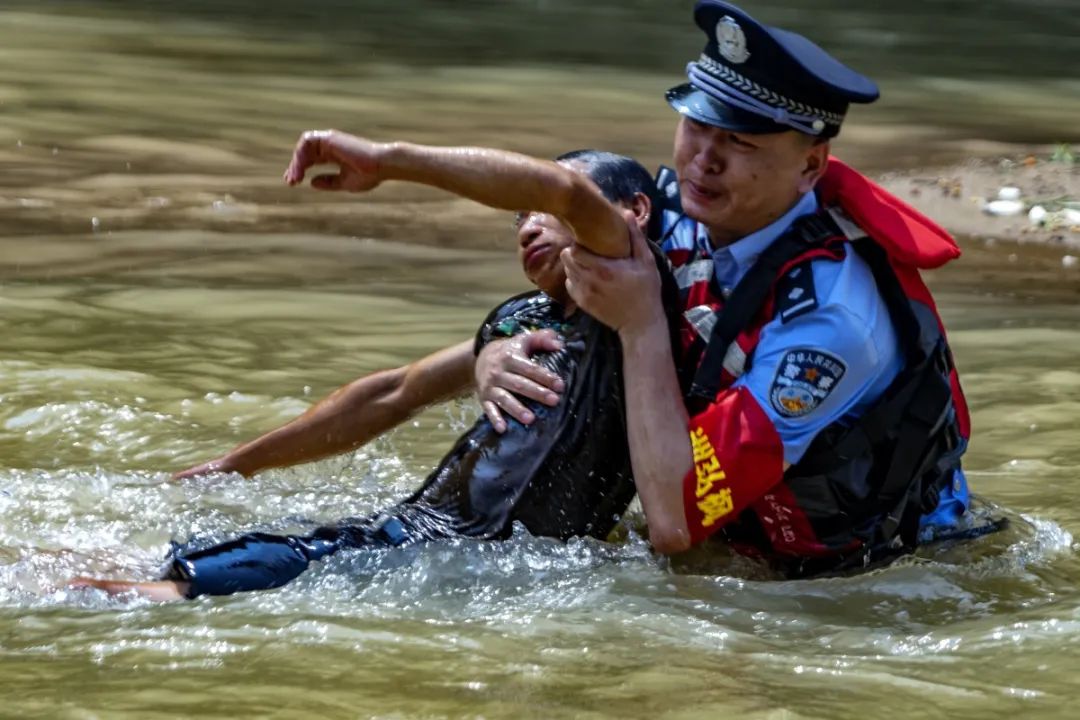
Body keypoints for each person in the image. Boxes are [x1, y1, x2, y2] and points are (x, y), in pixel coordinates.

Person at [73, 149, 675, 600]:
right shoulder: (522, 320)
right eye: (518, 218)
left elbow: (566, 191)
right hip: (419, 536)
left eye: (542, 211)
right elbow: (393, 393)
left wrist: (388, 159)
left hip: (480, 564)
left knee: (159, 593)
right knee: (239, 554)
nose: (525, 228)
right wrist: (240, 463)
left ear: (633, 213)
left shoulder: (638, 292)